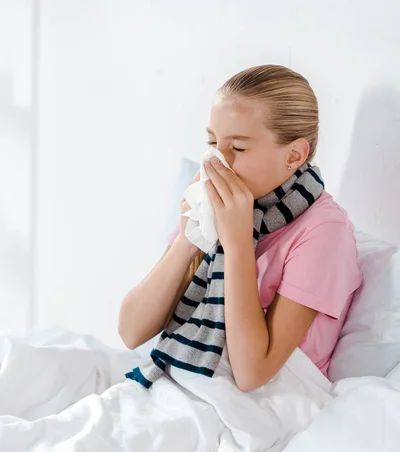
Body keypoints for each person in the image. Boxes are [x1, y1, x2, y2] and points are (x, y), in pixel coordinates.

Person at [119, 65, 362, 392]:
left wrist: (237, 245)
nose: (217, 162)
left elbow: (252, 375)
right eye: (213, 142)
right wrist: (190, 239)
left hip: (266, 403)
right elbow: (131, 331)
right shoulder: (216, 208)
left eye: (238, 148)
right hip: (180, 383)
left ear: (294, 154)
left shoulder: (324, 230)